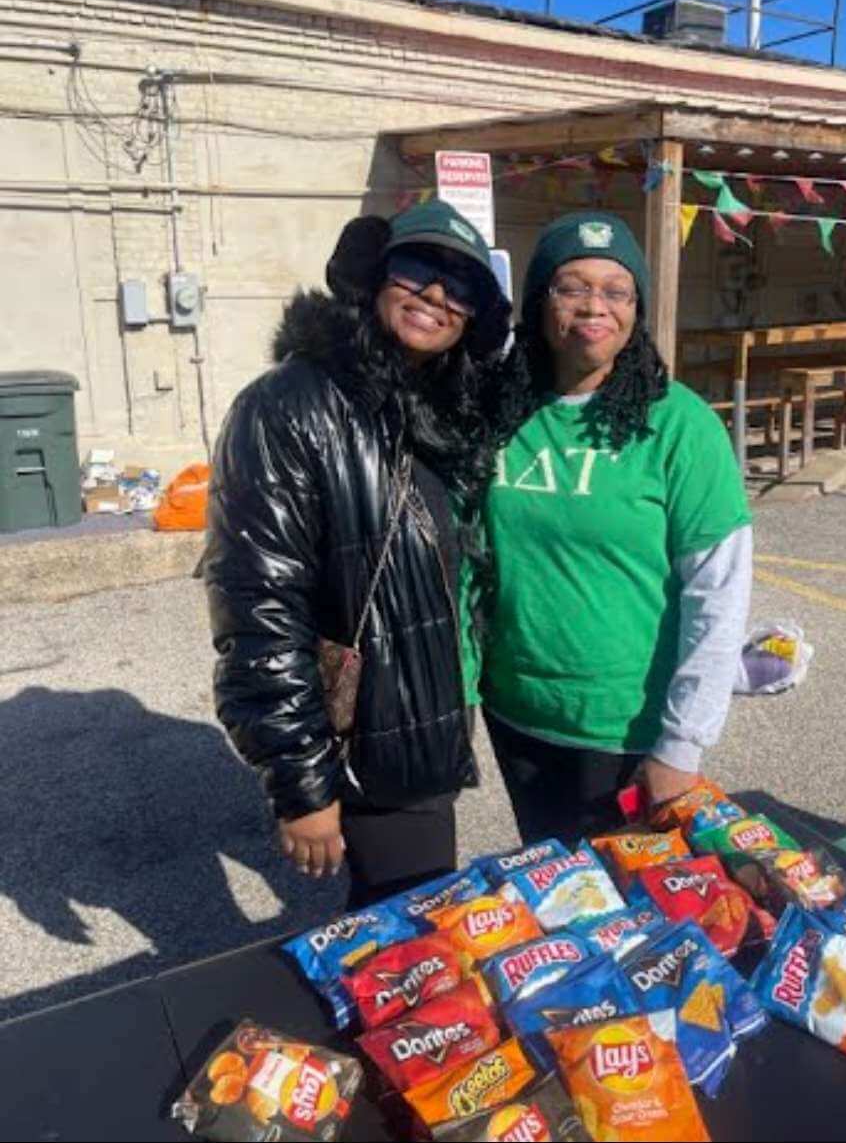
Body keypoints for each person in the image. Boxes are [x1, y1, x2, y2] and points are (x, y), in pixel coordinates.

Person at [203, 200, 510, 905]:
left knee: (404, 926)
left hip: (430, 718)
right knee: (408, 929)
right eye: (417, 268)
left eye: (461, 283)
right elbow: (257, 605)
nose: (437, 293)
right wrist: (301, 782)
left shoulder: (440, 407)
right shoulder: (287, 406)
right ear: (373, 273)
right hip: (370, 734)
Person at [472, 211, 752, 843]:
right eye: (572, 286)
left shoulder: (681, 425)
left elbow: (720, 593)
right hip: (518, 715)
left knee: (644, 916)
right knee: (564, 900)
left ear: (637, 309)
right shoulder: (503, 411)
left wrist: (683, 742)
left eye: (616, 290)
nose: (595, 305)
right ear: (541, 303)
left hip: (629, 728)